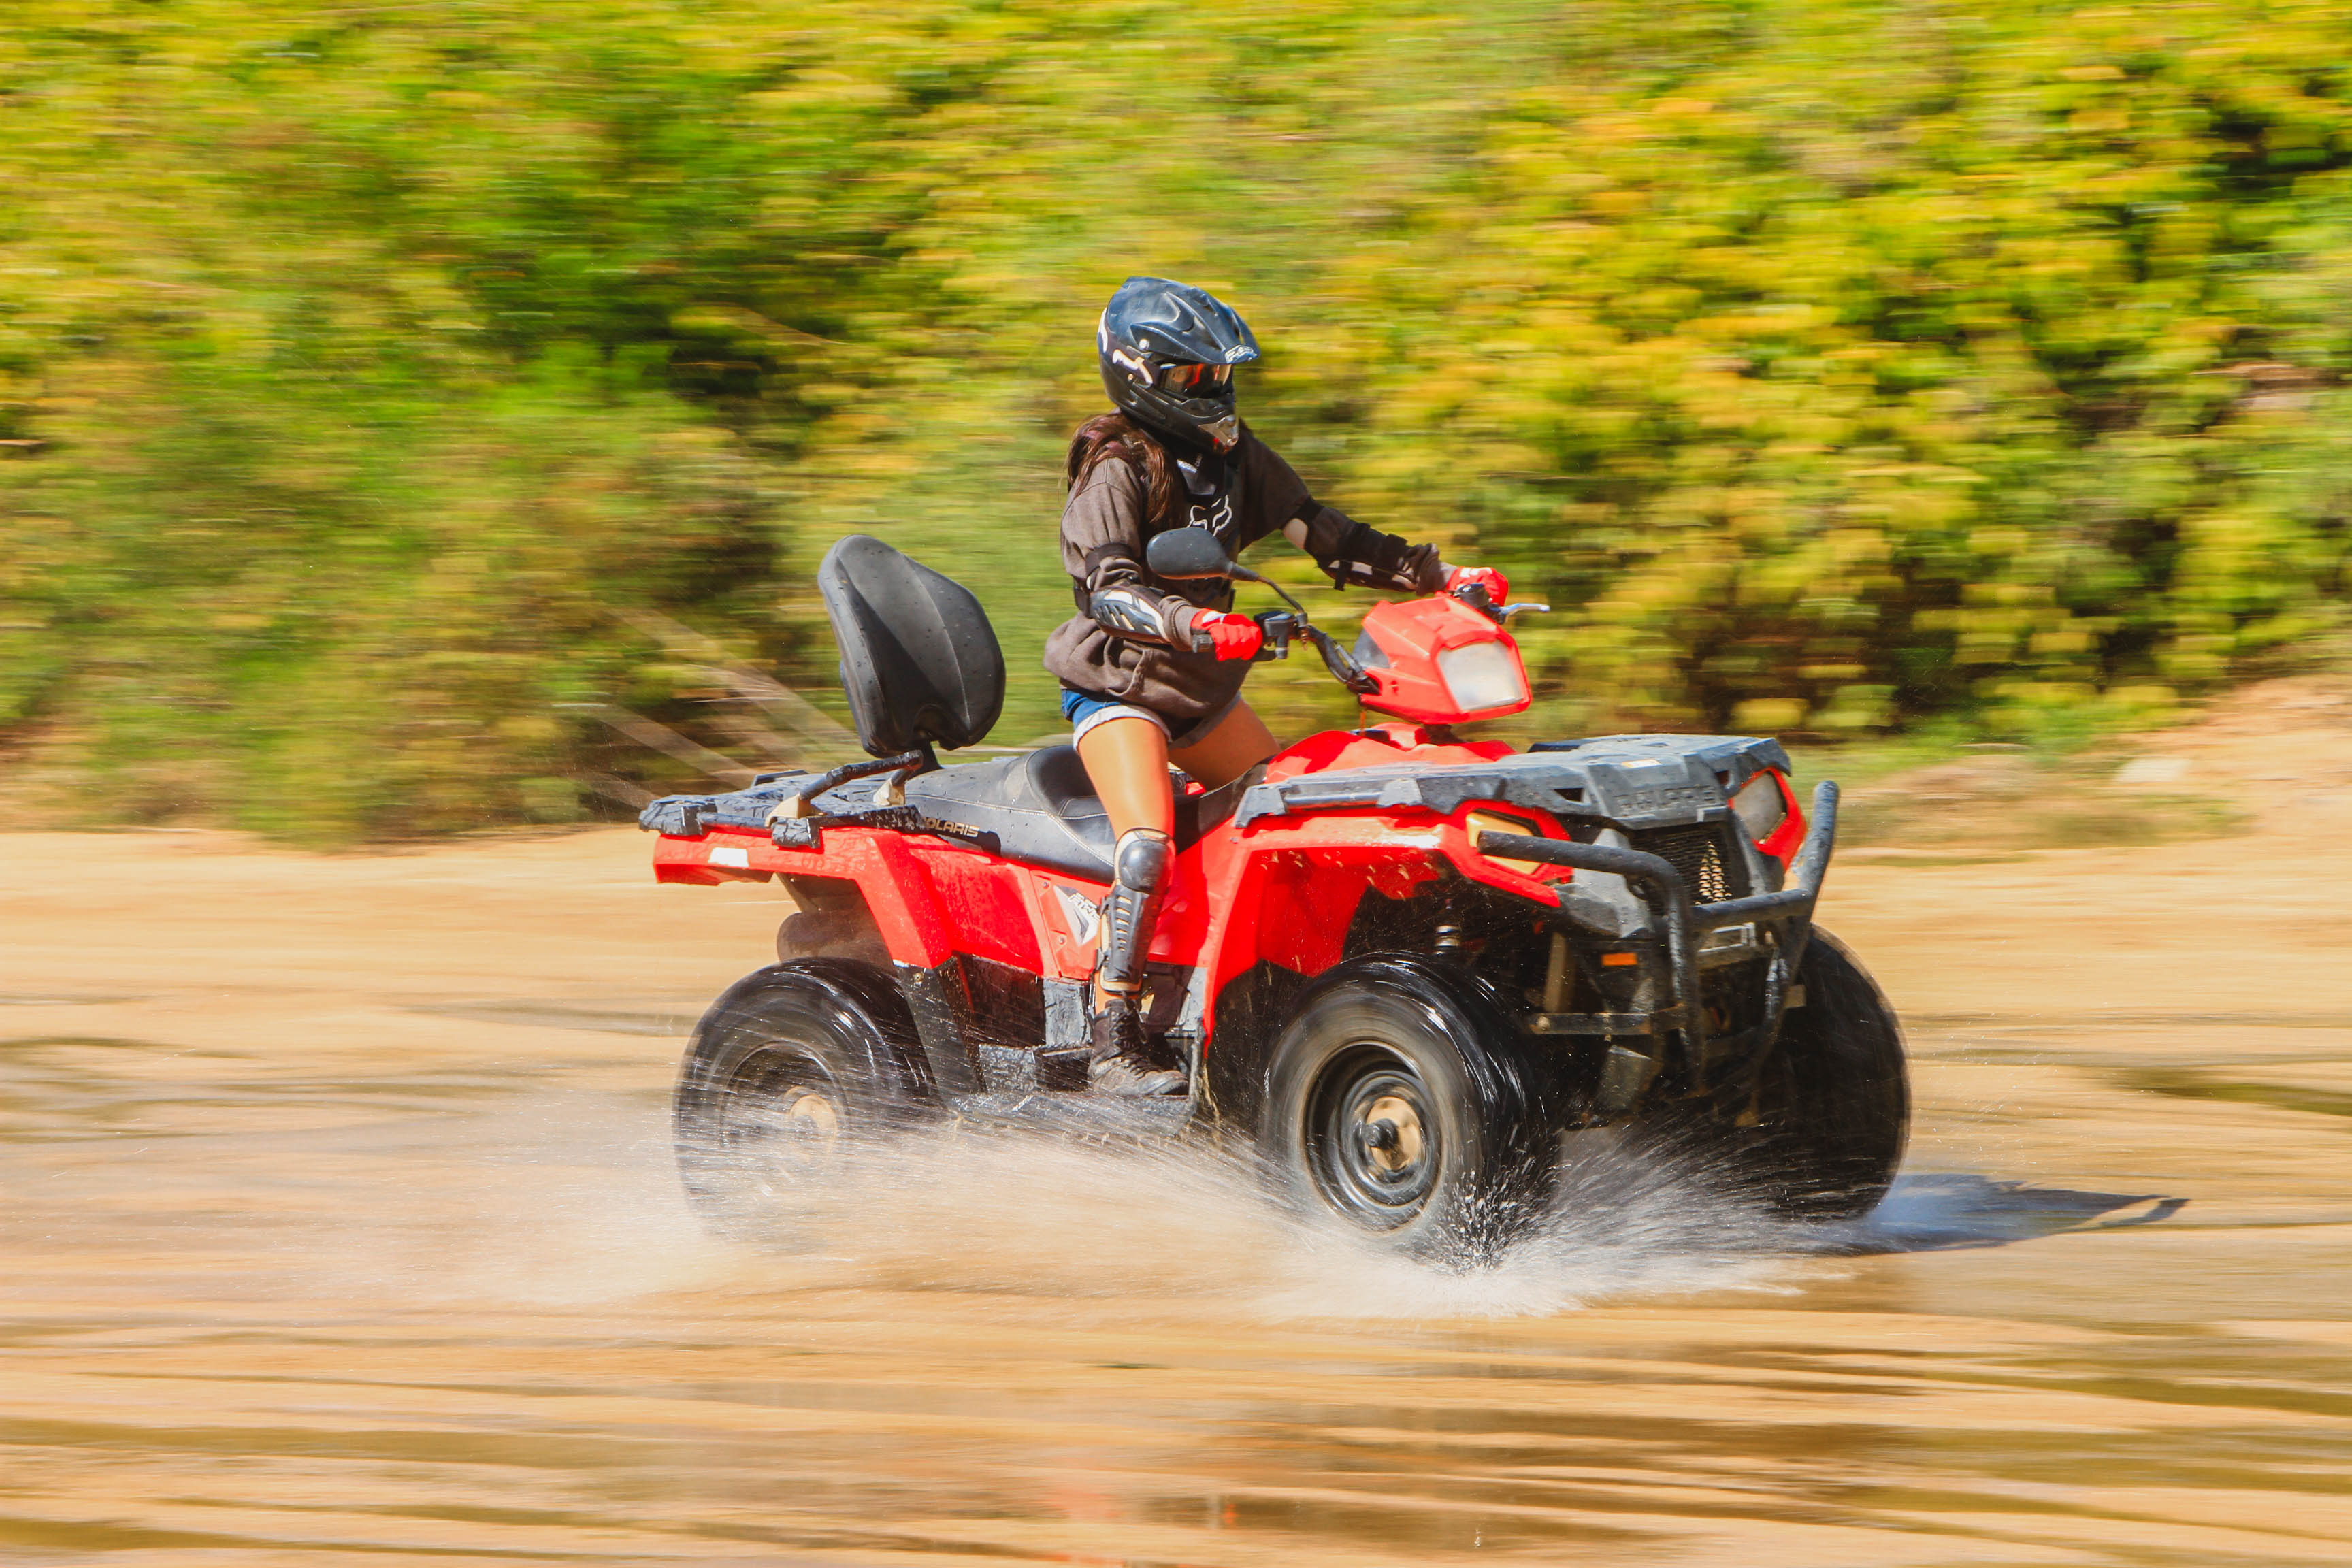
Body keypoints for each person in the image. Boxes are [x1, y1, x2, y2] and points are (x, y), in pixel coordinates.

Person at [1045, 276, 1509, 1094]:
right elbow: (1108, 590)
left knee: (1295, 818)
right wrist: (1195, 625)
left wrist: (1439, 574)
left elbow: (1326, 536)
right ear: (1141, 375)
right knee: (1148, 842)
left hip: (1201, 695)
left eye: (1221, 375)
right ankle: (1112, 1028)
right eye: (1194, 378)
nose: (1214, 392)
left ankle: (1287, 992)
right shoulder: (1114, 466)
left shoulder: (1232, 458)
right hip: (1120, 690)